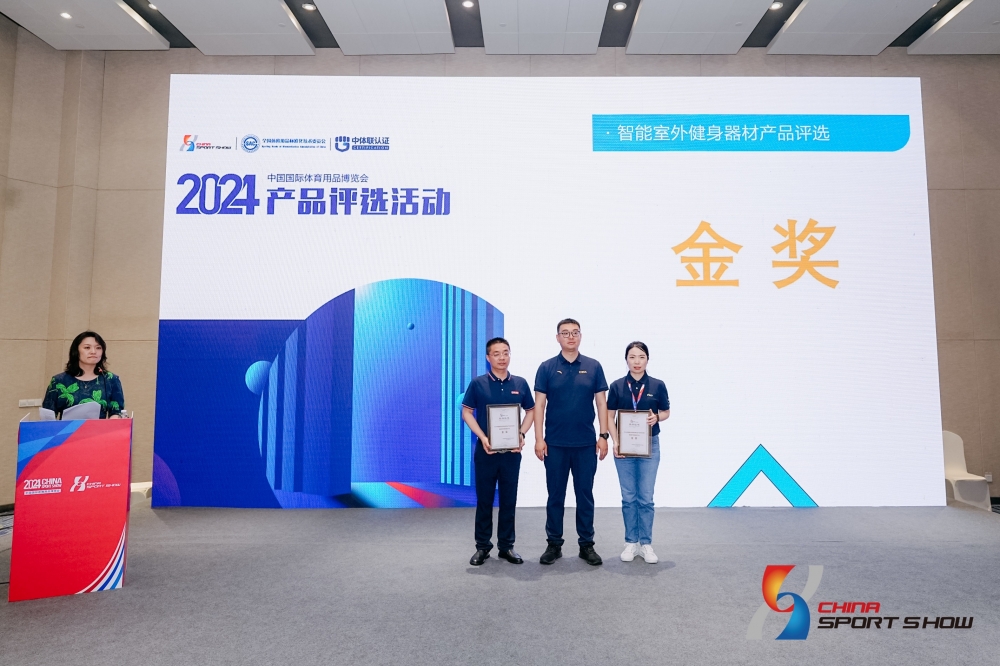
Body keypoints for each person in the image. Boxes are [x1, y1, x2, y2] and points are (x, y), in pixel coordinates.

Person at [534, 318, 609, 566]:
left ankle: (586, 545)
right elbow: (539, 406)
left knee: (584, 496)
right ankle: (554, 544)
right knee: (555, 496)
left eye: (575, 332)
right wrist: (539, 439)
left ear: (580, 336)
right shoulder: (546, 367)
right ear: (557, 338)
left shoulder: (593, 366)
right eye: (565, 333)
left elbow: (601, 404)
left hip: (586, 444)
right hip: (555, 444)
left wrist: (603, 436)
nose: (570, 337)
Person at [461, 337, 535, 566]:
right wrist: (483, 437)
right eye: (496, 353)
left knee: (508, 500)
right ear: (488, 357)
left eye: (505, 352)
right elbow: (466, 412)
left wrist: (521, 434)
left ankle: (506, 546)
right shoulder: (478, 383)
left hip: (512, 453)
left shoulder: (520, 383)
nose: (502, 357)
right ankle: (482, 547)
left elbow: (531, 411)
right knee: (484, 500)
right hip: (486, 452)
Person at [606, 341, 670, 564]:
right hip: (624, 447)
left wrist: (657, 417)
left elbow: (666, 412)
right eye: (632, 357)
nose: (637, 361)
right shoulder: (616, 386)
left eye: (641, 357)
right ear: (626, 360)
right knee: (628, 497)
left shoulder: (657, 385)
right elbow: (609, 416)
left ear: (647, 360)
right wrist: (615, 441)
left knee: (646, 497)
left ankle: (646, 544)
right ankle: (631, 542)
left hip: (649, 445)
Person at [43, 331, 125, 419]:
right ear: (76, 351)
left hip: (100, 428)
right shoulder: (59, 380)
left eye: (98, 348)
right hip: (67, 428)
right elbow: (48, 416)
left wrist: (115, 418)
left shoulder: (111, 379)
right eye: (87, 347)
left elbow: (117, 412)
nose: (93, 351)